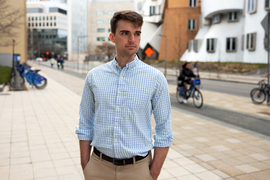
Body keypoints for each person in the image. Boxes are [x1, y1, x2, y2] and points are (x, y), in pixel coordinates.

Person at [76, 10, 173, 180]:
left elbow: (164, 130)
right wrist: (86, 166)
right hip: (98, 168)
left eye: (137, 34)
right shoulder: (94, 76)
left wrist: (153, 173)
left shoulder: (155, 79)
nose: (132, 40)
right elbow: (85, 123)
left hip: (138, 170)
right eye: (125, 33)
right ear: (112, 37)